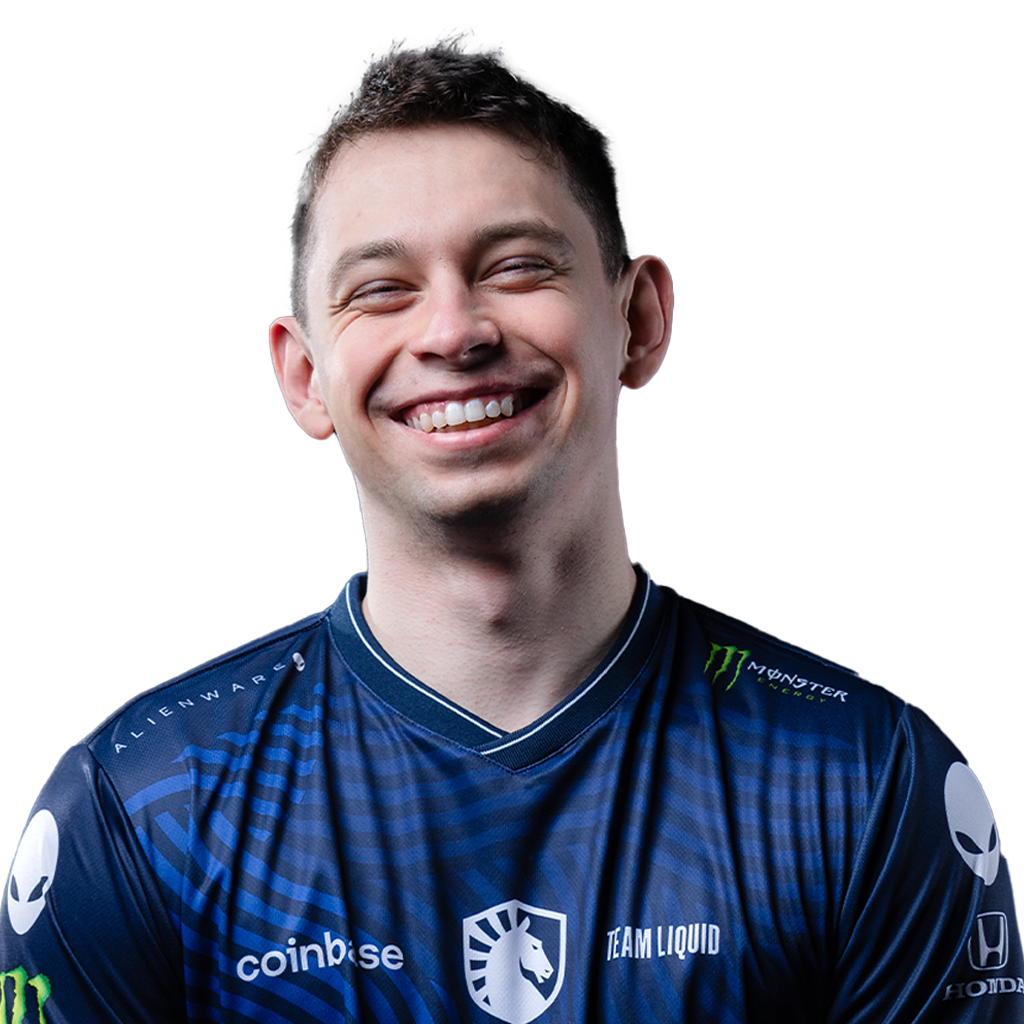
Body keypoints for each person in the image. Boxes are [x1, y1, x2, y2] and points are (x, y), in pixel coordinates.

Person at [1, 35, 1021, 1024]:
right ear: (305, 377)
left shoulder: (860, 781)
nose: (454, 332)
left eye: (518, 266)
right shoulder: (142, 805)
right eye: (381, 290)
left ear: (639, 321)